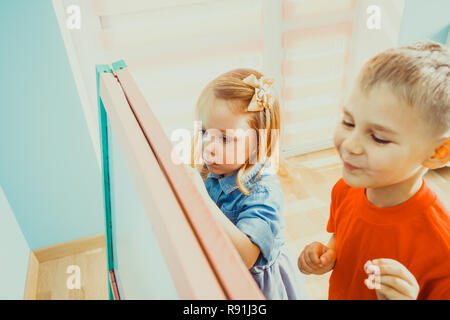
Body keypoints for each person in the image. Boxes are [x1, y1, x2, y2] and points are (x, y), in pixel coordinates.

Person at [298, 40, 450, 299]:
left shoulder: (442, 247)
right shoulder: (345, 188)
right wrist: (329, 254)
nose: (350, 145)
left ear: (437, 153)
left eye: (378, 138)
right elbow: (342, 237)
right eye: (348, 122)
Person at [188, 68, 307, 299]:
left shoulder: (264, 192)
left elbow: (245, 257)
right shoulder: (213, 169)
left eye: (224, 138)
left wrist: (200, 197)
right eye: (204, 131)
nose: (208, 146)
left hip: (258, 287)